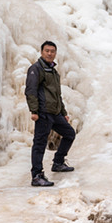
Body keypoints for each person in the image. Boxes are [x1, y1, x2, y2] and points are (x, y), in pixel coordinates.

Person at [25, 41, 76, 187]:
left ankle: (58, 162)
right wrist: (34, 111)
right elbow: (30, 91)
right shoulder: (36, 69)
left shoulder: (53, 72)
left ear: (55, 53)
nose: (49, 53)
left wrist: (63, 112)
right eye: (47, 50)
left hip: (55, 113)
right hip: (43, 113)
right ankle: (36, 176)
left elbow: (57, 95)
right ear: (41, 52)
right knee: (40, 144)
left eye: (52, 51)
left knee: (70, 134)